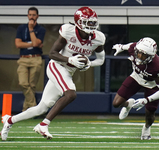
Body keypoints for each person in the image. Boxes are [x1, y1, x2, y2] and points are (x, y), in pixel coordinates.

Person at [1, 6, 105, 141]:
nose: (91, 25)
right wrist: (69, 59)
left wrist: (89, 64)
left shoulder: (98, 38)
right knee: (70, 93)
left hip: (68, 71)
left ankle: (9, 121)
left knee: (41, 108)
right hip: (57, 66)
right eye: (88, 22)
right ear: (78, 22)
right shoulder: (68, 31)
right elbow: (52, 53)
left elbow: (100, 60)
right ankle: (44, 124)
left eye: (93, 22)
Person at [112, 37, 159, 140]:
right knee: (116, 103)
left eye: (144, 55)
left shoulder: (156, 67)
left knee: (150, 113)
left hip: (152, 84)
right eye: (139, 53)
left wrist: (146, 100)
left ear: (151, 56)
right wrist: (121, 47)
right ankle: (128, 104)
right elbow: (130, 46)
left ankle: (147, 128)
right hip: (136, 76)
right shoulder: (134, 48)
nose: (140, 56)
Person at [15, 7, 46, 111]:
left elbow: (37, 43)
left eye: (33, 15)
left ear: (37, 16)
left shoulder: (41, 29)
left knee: (32, 85)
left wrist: (31, 29)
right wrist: (33, 44)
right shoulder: (21, 28)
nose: (31, 17)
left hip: (35, 59)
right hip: (23, 59)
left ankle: (26, 110)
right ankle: (34, 108)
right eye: (30, 15)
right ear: (27, 15)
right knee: (23, 83)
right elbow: (18, 44)